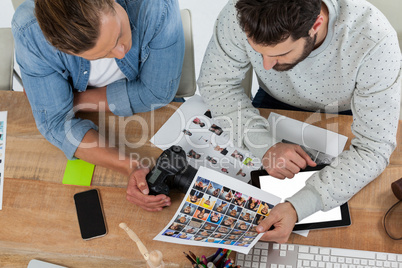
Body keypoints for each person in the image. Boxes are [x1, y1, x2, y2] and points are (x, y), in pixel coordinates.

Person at [197, 0, 401, 243]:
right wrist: (264, 144)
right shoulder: (239, 12)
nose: (266, 65)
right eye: (257, 51)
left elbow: (374, 147)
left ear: (316, 24)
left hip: (349, 111)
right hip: (273, 101)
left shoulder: (374, 38)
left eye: (281, 53)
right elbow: (216, 84)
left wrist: (298, 206)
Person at [12, 0, 185, 212]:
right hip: (104, 120)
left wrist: (71, 101)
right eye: (103, 54)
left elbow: (156, 93)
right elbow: (56, 124)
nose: (121, 52)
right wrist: (129, 167)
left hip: (156, 116)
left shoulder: (155, 5)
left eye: (120, 32)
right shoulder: (30, 30)